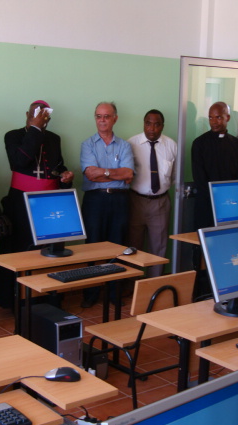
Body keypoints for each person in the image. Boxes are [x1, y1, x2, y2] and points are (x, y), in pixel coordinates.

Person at [0, 100, 74, 308]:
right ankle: (19, 302)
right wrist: (36, 129)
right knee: (22, 253)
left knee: (49, 253)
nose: (40, 117)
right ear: (27, 115)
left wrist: (65, 176)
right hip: (20, 204)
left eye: (44, 115)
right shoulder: (13, 136)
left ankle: (47, 300)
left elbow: (57, 166)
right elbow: (19, 162)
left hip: (48, 204)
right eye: (35, 114)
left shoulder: (54, 138)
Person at [80, 102, 134, 307]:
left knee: (117, 245)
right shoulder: (87, 145)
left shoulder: (124, 146)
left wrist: (103, 172)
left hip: (119, 200)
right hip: (95, 200)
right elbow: (90, 174)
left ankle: (114, 293)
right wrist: (114, 173)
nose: (102, 120)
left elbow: (128, 174)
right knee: (93, 246)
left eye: (106, 116)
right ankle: (91, 293)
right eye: (98, 116)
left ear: (115, 119)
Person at [127, 109, 177, 277]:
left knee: (159, 247)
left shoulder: (171, 146)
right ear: (144, 124)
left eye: (157, 124)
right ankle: (132, 284)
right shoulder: (131, 144)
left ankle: (154, 285)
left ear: (162, 126)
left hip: (160, 203)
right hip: (136, 201)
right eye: (148, 124)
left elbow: (175, 175)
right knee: (133, 246)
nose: (152, 128)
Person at [191, 101, 238, 229]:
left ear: (228, 117)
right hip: (206, 203)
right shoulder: (199, 143)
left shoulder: (236, 144)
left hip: (229, 203)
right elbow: (199, 177)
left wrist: (231, 199)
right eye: (211, 118)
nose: (214, 122)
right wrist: (214, 198)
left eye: (218, 117)